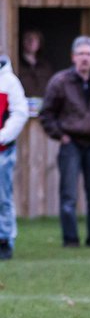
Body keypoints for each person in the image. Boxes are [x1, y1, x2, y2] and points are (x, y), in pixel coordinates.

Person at [39, 36, 90, 248]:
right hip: (70, 143)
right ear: (73, 57)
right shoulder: (60, 82)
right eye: (81, 54)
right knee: (69, 196)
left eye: (89, 54)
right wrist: (59, 135)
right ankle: (70, 239)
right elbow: (47, 113)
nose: (85, 58)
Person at [0, 54, 31, 260]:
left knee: (2, 197)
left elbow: (20, 113)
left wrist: (3, 136)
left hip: (2, 150)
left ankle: (4, 239)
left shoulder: (9, 81)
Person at [19, 29, 54, 100]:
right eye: (28, 38)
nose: (31, 41)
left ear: (39, 43)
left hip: (43, 106)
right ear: (22, 41)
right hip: (23, 106)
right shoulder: (16, 64)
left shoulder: (46, 67)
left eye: (35, 39)